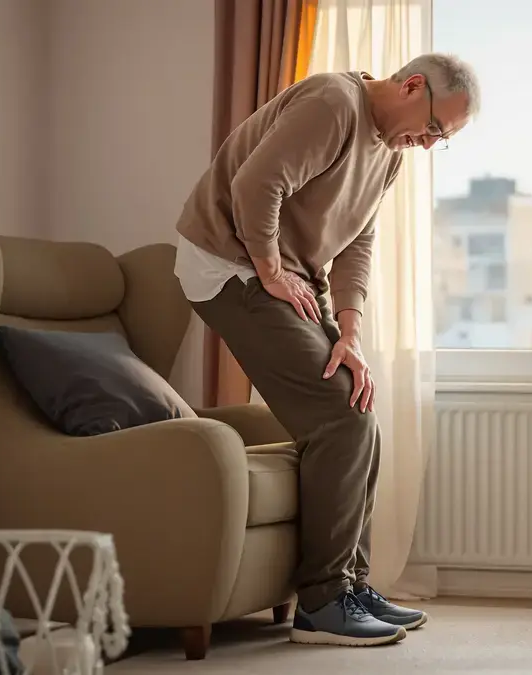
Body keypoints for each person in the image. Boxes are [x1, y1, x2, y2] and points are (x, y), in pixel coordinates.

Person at [173, 53, 479, 647]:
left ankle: (351, 585)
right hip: (227, 263)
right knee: (339, 417)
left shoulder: (388, 151)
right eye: (437, 129)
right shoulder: (334, 104)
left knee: (357, 405)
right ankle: (321, 602)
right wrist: (268, 270)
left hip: (285, 272)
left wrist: (349, 333)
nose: (429, 143)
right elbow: (255, 184)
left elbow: (357, 241)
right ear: (412, 86)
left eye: (442, 140)